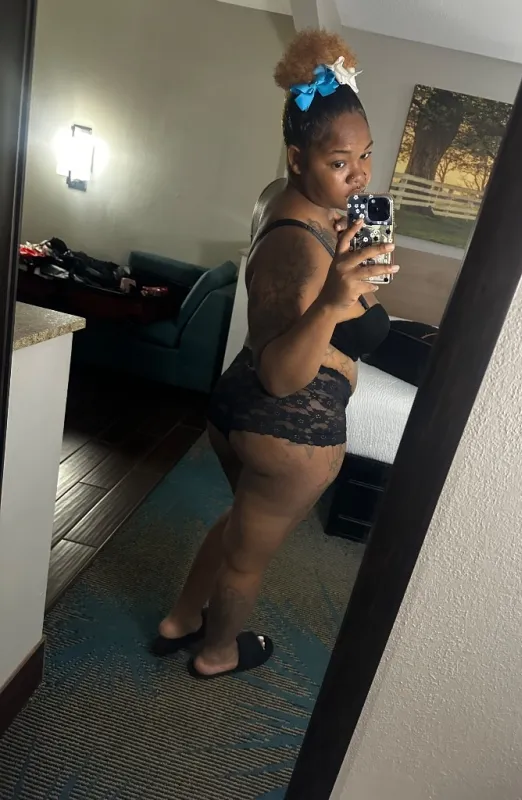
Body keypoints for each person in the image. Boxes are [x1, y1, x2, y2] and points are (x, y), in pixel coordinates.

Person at [151, 29, 397, 678]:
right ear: (297, 157)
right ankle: (216, 653)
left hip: (238, 407)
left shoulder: (282, 198)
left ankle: (181, 618)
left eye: (365, 156)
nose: (359, 175)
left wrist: (344, 251)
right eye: (339, 163)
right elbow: (283, 377)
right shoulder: (301, 249)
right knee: (247, 560)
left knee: (240, 526)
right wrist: (334, 300)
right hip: (287, 425)